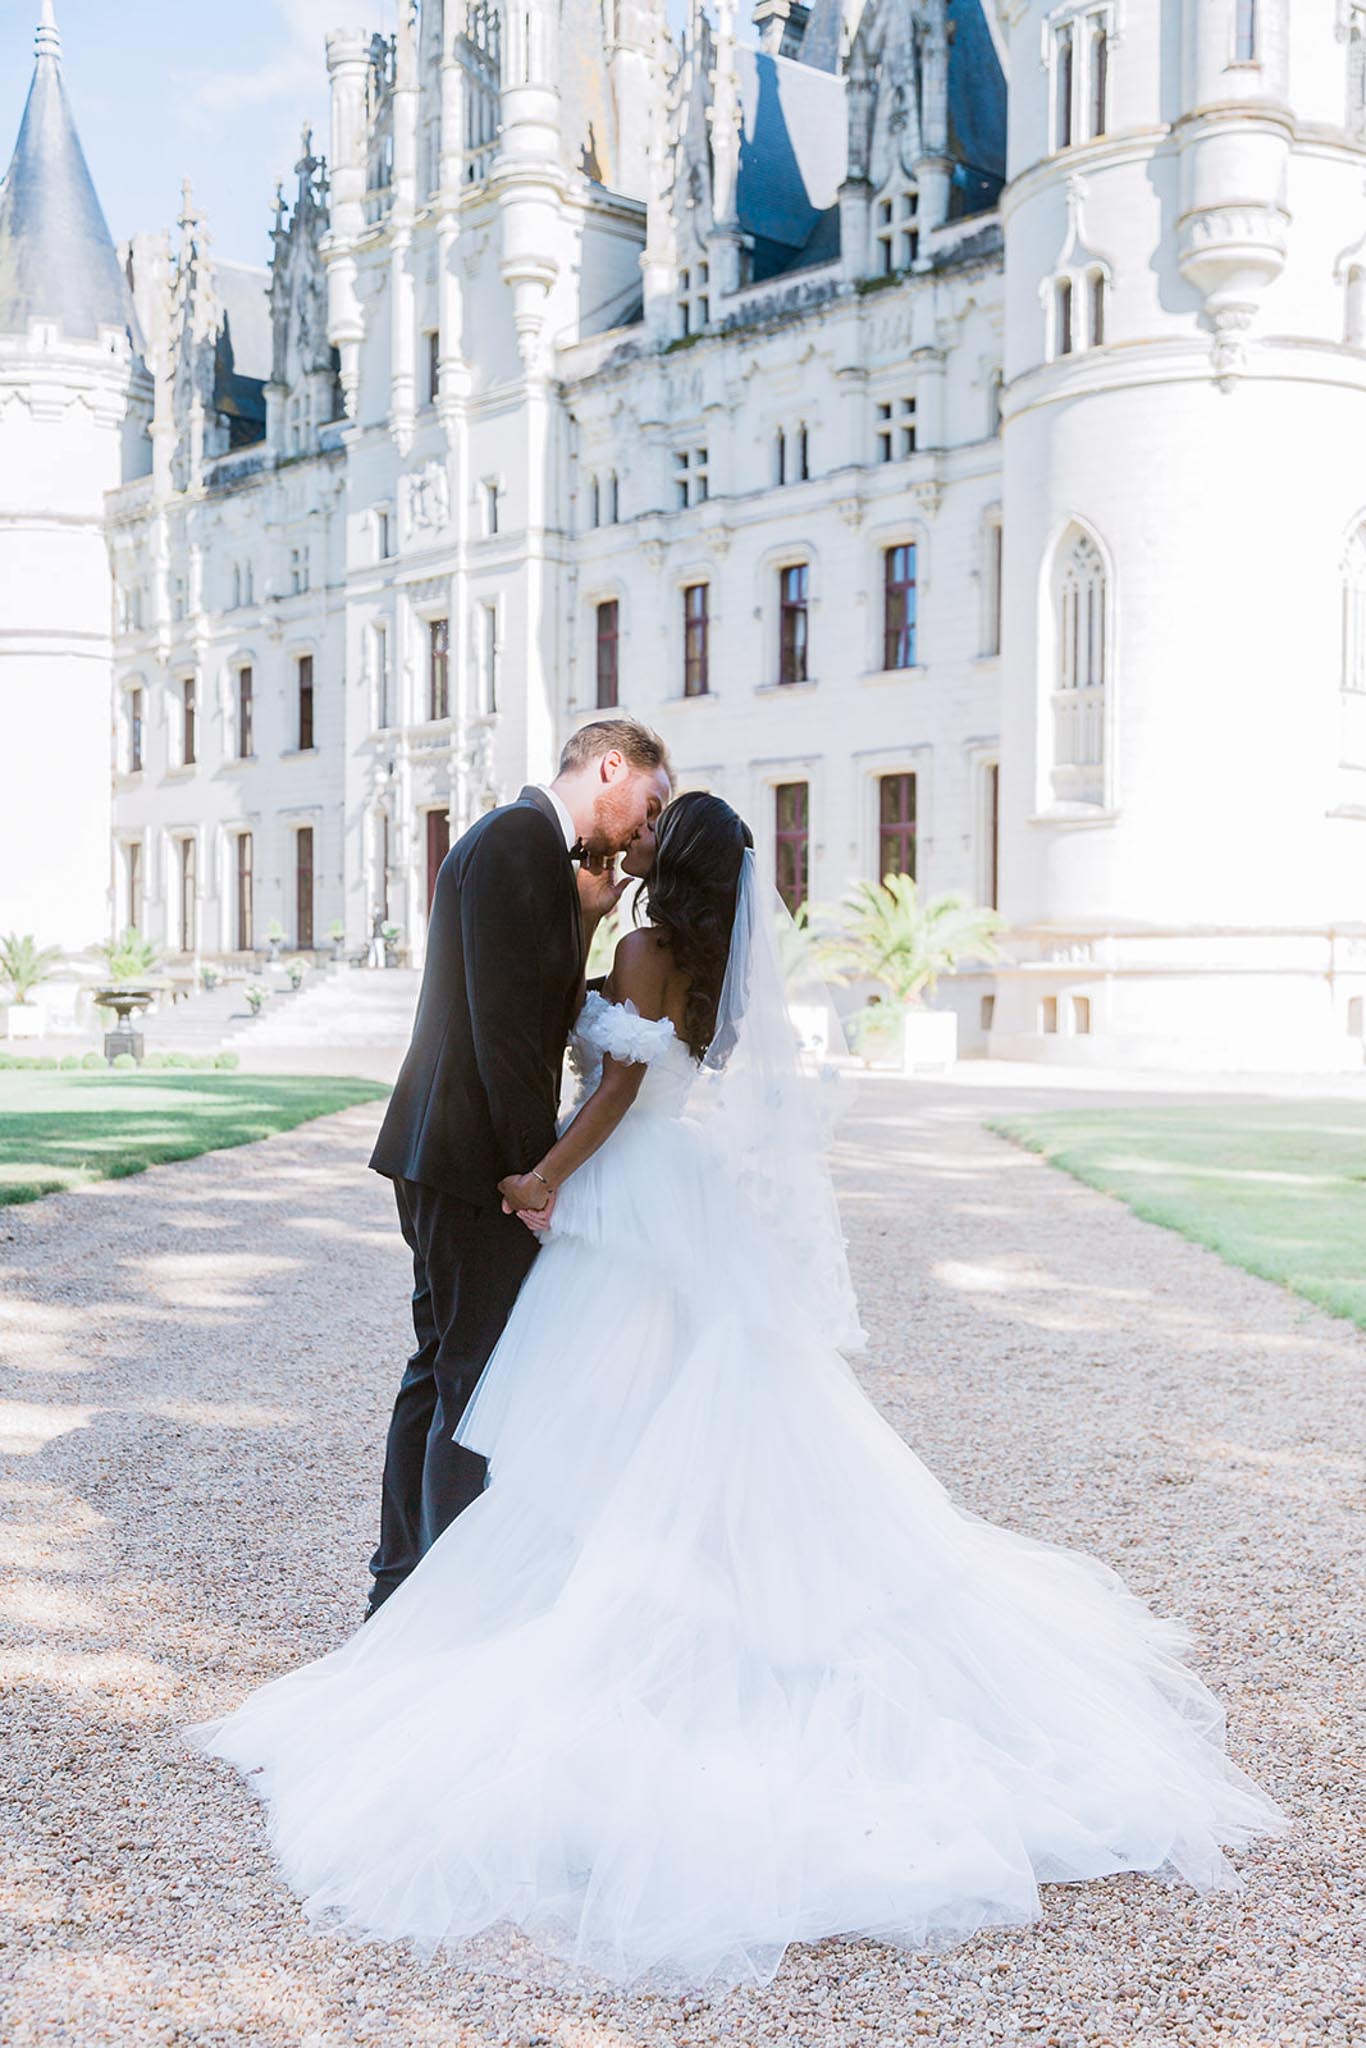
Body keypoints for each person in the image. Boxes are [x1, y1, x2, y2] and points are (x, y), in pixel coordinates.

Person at [190, 793, 1291, 1992]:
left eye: (661, 830)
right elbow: (670, 1071)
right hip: (686, 1189)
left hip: (621, 1185)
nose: (640, 834)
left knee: (593, 1412)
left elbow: (612, 1088)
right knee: (691, 1398)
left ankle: (582, 1604)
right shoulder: (714, 964)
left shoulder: (644, 950)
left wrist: (539, 1172)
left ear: (680, 864)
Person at [362, 719, 672, 1618]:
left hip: (443, 1151)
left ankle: (399, 1583)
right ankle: (438, 1606)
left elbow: (524, 1003)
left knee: (442, 1366)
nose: (637, 831)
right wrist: (527, 1176)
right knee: (478, 1379)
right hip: (468, 1161)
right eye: (646, 804)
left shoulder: (532, 850)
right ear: (611, 768)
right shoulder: (514, 842)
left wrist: (581, 922)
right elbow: (502, 1033)